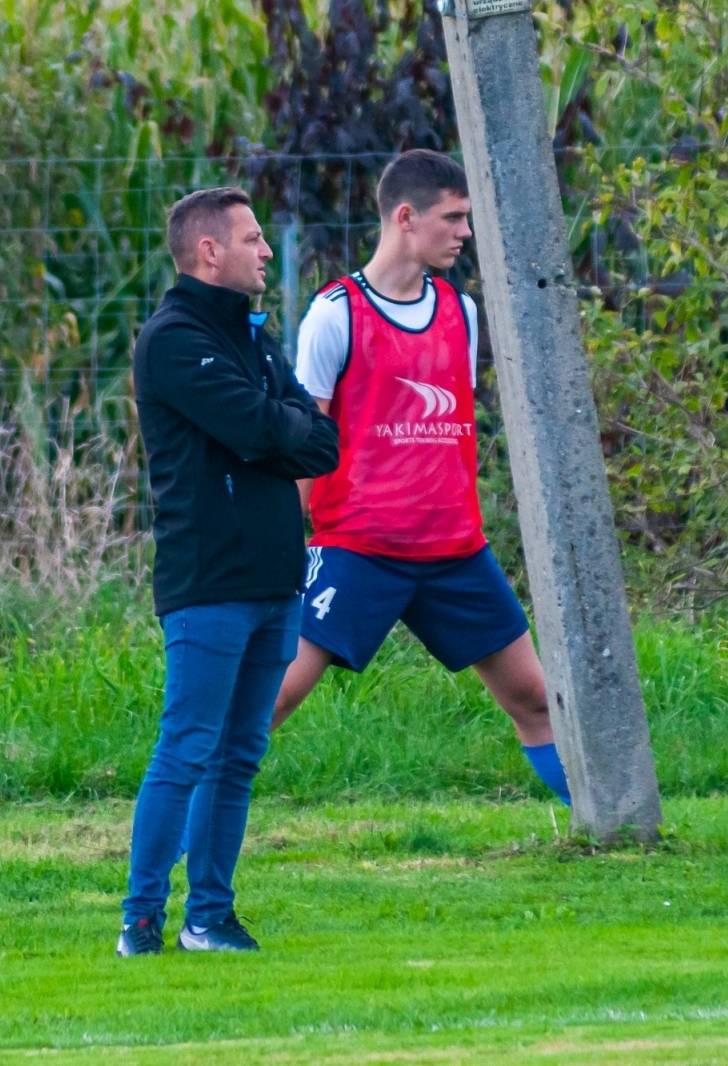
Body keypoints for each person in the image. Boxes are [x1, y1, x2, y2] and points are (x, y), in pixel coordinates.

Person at [273, 149, 572, 807]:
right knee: (274, 696)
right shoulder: (335, 313)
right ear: (406, 217)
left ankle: (607, 837)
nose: (466, 232)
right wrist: (276, 546)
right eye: (454, 217)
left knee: (536, 699)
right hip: (357, 549)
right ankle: (183, 835)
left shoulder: (459, 312)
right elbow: (303, 446)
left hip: (455, 554)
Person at [119, 187, 338, 956]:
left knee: (241, 752)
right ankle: (140, 921)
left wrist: (279, 424)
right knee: (188, 746)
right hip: (207, 582)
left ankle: (209, 917)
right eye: (252, 238)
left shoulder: (253, 336)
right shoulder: (174, 340)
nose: (267, 250)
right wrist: (279, 423)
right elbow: (255, 426)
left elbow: (321, 443)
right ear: (209, 251)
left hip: (277, 578)